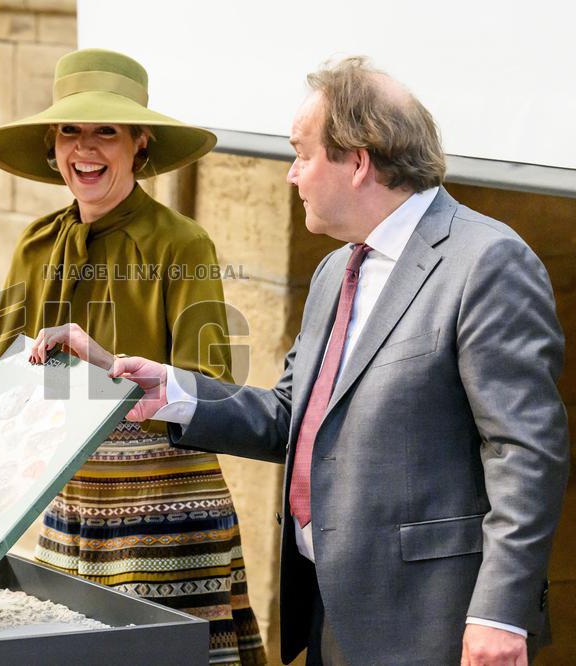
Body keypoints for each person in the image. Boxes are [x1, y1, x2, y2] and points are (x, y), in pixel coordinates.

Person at [58, 57, 569, 665]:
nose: (290, 175)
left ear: (357, 161)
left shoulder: (486, 261)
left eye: (302, 154)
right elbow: (287, 417)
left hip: (439, 623)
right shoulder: (335, 270)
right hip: (328, 610)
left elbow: (526, 452)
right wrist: (168, 388)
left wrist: (500, 614)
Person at [0, 49, 266, 664]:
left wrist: (108, 363)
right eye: (70, 131)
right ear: (53, 148)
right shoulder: (35, 243)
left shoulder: (183, 242)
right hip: (68, 507)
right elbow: (8, 376)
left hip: (163, 513)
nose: (86, 147)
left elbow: (214, 387)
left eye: (107, 130)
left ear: (140, 144)